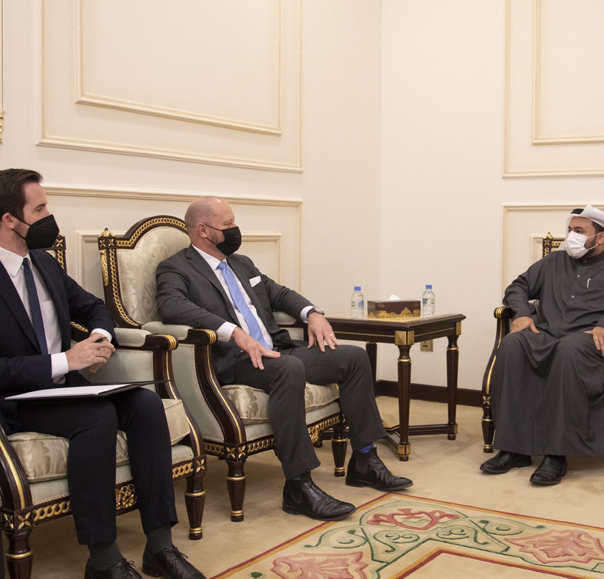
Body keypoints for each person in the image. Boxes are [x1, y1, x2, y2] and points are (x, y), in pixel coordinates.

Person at [0, 169, 209, 579]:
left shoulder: (43, 263)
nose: (50, 215)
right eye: (40, 208)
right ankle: (103, 563)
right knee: (97, 417)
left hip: (66, 388)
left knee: (145, 403)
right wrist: (67, 360)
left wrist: (98, 338)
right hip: (15, 400)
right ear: (9, 219)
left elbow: (93, 306)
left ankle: (160, 547)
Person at [155, 196, 412, 521]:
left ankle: (364, 460)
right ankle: (298, 486)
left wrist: (313, 313)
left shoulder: (241, 263)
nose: (235, 230)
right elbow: (172, 306)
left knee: (353, 357)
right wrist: (233, 332)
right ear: (203, 230)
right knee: (288, 369)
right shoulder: (176, 268)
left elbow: (279, 294)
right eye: (228, 225)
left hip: (277, 348)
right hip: (235, 360)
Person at [481, 206, 604, 485]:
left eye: (579, 231)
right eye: (570, 230)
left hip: (591, 340)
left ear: (601, 237)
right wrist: (523, 314)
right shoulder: (555, 260)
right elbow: (518, 287)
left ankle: (556, 455)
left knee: (569, 350)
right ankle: (514, 449)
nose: (571, 236)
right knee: (513, 344)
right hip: (549, 334)